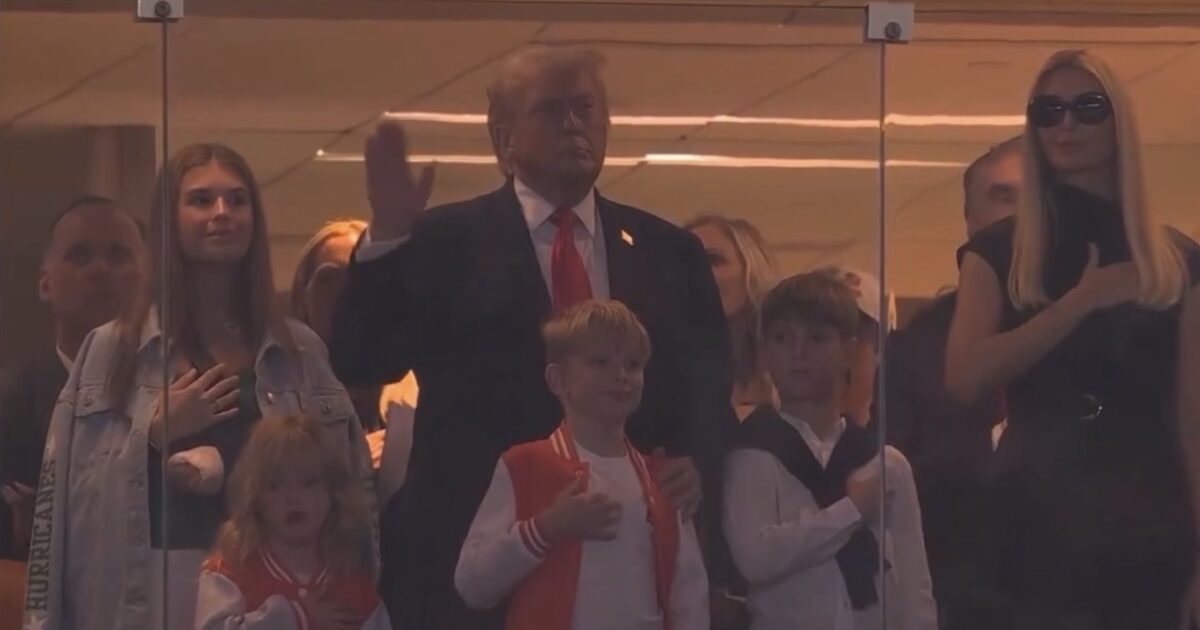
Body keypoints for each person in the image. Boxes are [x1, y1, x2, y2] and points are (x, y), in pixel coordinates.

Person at [331, 46, 734, 629]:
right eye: (550, 110)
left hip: (621, 567)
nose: (573, 125)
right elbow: (361, 359)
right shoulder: (445, 242)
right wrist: (388, 240)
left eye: (585, 109)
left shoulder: (669, 252)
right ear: (504, 140)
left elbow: (708, 388)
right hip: (469, 561)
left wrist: (699, 460)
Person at [23, 143, 373, 630]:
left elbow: (351, 495)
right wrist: (151, 434)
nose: (222, 212)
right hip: (151, 589)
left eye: (237, 199)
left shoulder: (300, 353)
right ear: (170, 219)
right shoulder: (111, 351)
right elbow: (65, 509)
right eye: (201, 200)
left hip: (270, 594)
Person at [946, 49, 1200, 629]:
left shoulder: (1175, 260)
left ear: (1118, 121)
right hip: (1036, 505)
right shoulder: (1000, 250)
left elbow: (1193, 417)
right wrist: (1077, 304)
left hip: (1147, 509)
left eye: (1088, 108)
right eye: (1048, 110)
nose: (1066, 125)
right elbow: (964, 378)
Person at [454, 300, 708, 630]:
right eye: (600, 362)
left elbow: (689, 593)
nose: (621, 375)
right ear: (558, 379)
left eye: (633, 364)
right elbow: (472, 583)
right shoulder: (524, 466)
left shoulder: (662, 477)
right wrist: (545, 529)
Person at [723, 271, 936, 630]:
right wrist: (852, 510)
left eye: (816, 338)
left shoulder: (886, 463)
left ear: (849, 351)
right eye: (782, 338)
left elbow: (915, 587)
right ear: (764, 353)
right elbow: (756, 558)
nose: (798, 353)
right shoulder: (752, 454)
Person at [885, 138, 1020, 630]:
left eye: (1036, 198)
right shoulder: (920, 343)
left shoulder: (1095, 329)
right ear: (970, 218)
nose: (1020, 213)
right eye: (1003, 196)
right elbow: (895, 475)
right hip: (957, 588)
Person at [0, 196, 144, 561]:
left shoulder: (183, 396)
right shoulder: (8, 405)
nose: (100, 269)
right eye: (80, 256)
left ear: (149, 283)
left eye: (118, 256)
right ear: (45, 284)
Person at [195, 414, 390, 630]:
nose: (293, 498)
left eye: (310, 483)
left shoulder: (350, 578)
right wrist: (293, 616)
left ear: (334, 492)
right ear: (255, 495)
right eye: (275, 485)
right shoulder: (232, 568)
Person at [291, 219, 419, 505]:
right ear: (301, 297)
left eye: (363, 280)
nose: (347, 294)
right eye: (329, 279)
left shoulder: (421, 401)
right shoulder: (277, 392)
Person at [685, 215, 779, 422]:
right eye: (687, 262)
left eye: (714, 260)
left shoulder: (791, 363)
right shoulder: (660, 370)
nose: (698, 271)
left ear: (752, 270)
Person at [813, 266, 894, 429]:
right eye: (819, 334)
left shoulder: (896, 442)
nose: (838, 349)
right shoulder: (772, 440)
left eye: (852, 332)